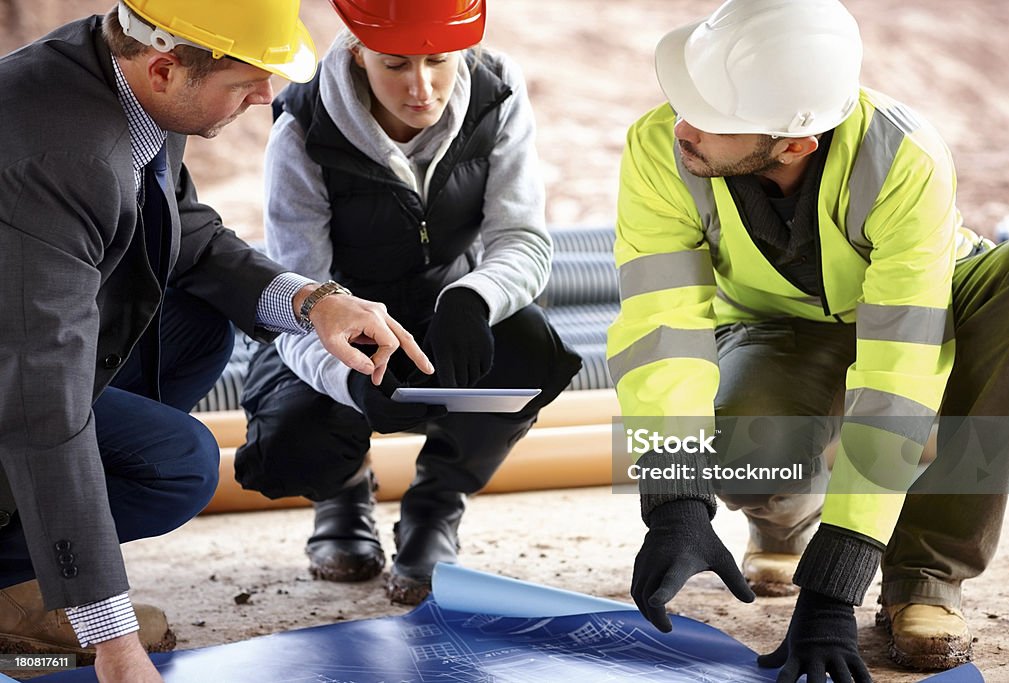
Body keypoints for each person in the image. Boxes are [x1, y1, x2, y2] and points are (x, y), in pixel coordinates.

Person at [0, 1, 434, 681]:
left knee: (194, 328)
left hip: (20, 342)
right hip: (16, 368)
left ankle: (38, 561)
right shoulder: (55, 155)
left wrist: (316, 302)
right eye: (245, 82)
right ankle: (31, 582)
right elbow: (39, 398)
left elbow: (184, 230)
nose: (267, 95)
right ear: (168, 68)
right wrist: (114, 645)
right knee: (178, 465)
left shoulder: (126, 74)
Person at [609, 0, 1009, 679]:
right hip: (778, 322)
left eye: (712, 116)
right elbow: (661, 329)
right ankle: (784, 516)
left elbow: (898, 370)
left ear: (797, 142)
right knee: (747, 452)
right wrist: (674, 498)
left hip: (926, 307)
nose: (682, 125)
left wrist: (839, 575)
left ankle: (923, 575)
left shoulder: (904, 160)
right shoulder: (663, 147)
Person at [234, 0, 581, 605]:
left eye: (439, 62)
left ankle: (435, 509)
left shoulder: (496, 92)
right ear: (356, 51)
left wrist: (475, 298)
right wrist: (351, 383)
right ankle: (342, 494)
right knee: (289, 439)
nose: (421, 88)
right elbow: (298, 291)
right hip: (335, 321)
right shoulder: (303, 124)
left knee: (532, 352)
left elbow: (521, 238)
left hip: (446, 305)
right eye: (395, 64)